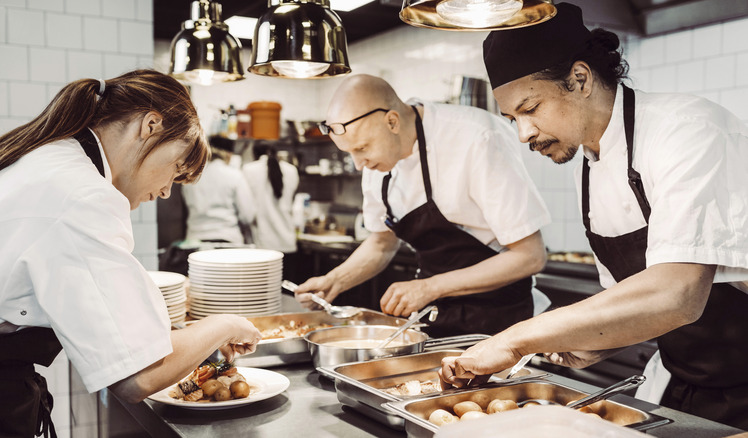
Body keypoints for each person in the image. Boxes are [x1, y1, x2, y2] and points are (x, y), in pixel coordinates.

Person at [439, 3, 748, 430]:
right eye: (512, 118)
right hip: (688, 380)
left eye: (530, 109)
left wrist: (514, 340)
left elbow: (677, 293)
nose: (523, 134)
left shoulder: (689, 131)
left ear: (580, 79)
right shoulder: (589, 162)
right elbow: (633, 304)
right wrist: (594, 343)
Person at [0, 70, 262, 437]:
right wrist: (226, 324)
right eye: (175, 168)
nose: (167, 191)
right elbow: (137, 376)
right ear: (151, 125)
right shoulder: (81, 194)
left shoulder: (42, 159)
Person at [293, 74, 551, 337]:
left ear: (392, 121)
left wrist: (430, 288)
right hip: (433, 320)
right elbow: (382, 243)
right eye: (350, 153)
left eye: (361, 148)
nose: (359, 164)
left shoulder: (477, 136)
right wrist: (334, 282)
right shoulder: (377, 161)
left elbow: (530, 256)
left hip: (501, 321)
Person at [181, 135, 256, 245]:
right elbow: (248, 215)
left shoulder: (192, 177)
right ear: (229, 154)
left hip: (195, 240)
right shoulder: (235, 175)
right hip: (228, 239)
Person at [242, 142, 300, 277]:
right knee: (287, 294)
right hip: (288, 244)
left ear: (255, 154)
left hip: (262, 247)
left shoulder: (249, 170)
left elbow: (247, 210)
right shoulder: (292, 170)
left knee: (263, 295)